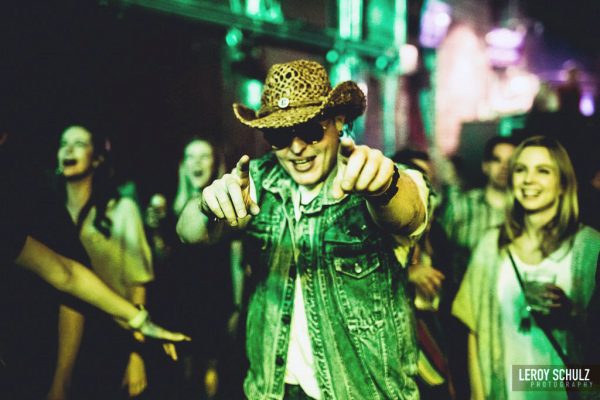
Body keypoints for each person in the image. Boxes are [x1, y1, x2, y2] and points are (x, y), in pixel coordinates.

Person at [177, 59, 430, 399]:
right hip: (273, 389)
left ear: (339, 122)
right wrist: (208, 205)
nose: (296, 148)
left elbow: (409, 211)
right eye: (280, 135)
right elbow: (188, 233)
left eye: (311, 130)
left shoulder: (371, 173)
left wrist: (385, 188)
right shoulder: (259, 180)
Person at [452, 136, 600, 399]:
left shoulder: (589, 247)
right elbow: (473, 327)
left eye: (543, 171)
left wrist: (572, 314)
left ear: (563, 184)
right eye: (521, 170)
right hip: (506, 392)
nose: (528, 179)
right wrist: (478, 393)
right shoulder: (491, 245)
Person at [48, 125, 154, 400]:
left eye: (79, 143)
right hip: (52, 341)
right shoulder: (45, 212)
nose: (68, 149)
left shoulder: (121, 210)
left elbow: (138, 286)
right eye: (64, 143)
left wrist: (135, 354)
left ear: (96, 158)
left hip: (107, 340)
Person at [144, 137, 244, 399]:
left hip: (214, 305)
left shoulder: (226, 206)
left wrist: (236, 307)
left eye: (204, 157)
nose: (197, 163)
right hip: (179, 303)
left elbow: (236, 260)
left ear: (215, 163)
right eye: (191, 157)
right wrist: (154, 231)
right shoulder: (168, 206)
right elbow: (161, 260)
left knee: (213, 375)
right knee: (183, 373)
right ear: (183, 165)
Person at [440, 136, 516, 282]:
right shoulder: (461, 207)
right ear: (485, 166)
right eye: (497, 160)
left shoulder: (525, 212)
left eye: (511, 161)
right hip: (462, 298)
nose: (504, 167)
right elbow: (438, 253)